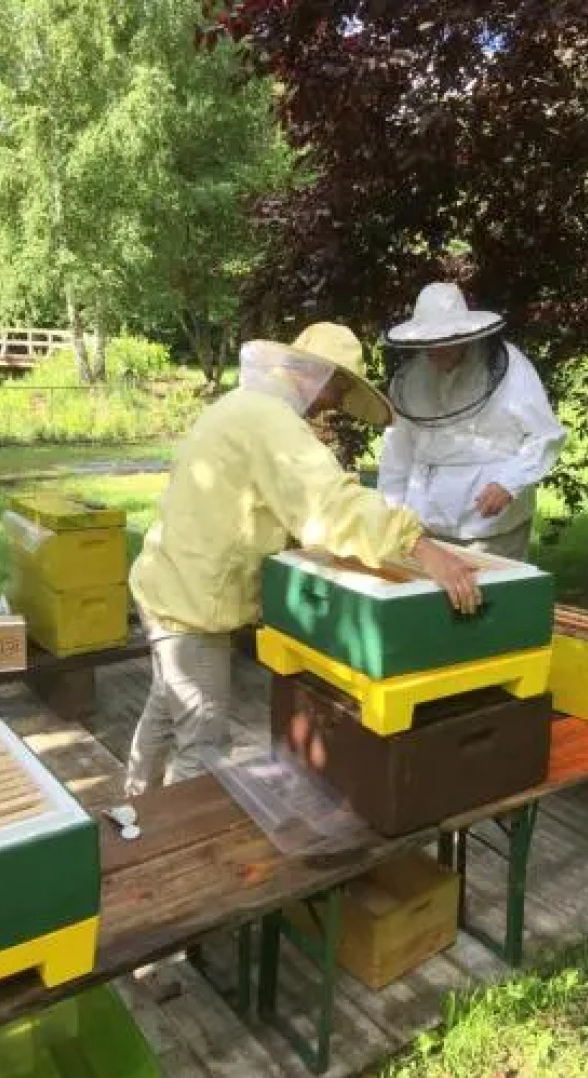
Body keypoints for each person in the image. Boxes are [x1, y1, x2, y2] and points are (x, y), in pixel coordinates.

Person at [124, 322, 480, 797]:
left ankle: (129, 814)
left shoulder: (239, 407)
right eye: (338, 389)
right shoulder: (271, 421)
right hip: (190, 606)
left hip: (164, 583)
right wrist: (421, 546)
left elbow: (257, 505)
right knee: (203, 745)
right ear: (318, 377)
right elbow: (328, 504)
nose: (334, 405)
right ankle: (172, 857)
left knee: (166, 711)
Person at [378, 282, 566, 560]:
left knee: (494, 600)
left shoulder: (512, 367)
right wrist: (390, 513)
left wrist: (508, 483)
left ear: (463, 335)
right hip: (426, 523)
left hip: (491, 523)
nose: (435, 351)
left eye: (443, 342)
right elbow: (397, 450)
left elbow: (545, 435)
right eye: (428, 344)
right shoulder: (410, 380)